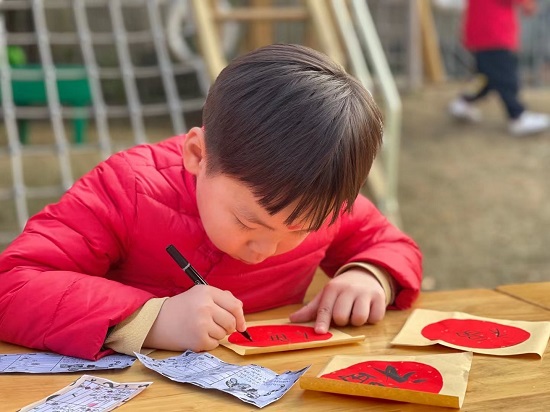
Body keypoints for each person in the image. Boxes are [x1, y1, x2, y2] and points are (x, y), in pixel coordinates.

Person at [0, 44, 422, 360]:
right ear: (197, 155)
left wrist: (370, 276)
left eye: (298, 231)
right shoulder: (128, 187)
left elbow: (393, 246)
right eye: (246, 222)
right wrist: (150, 319)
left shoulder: (318, 202)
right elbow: (13, 284)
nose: (263, 252)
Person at [448, 0, 550, 136]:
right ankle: (517, 116)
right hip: (495, 31)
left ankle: (463, 102)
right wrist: (526, 3)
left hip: (481, 29)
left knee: (484, 76)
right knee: (506, 76)